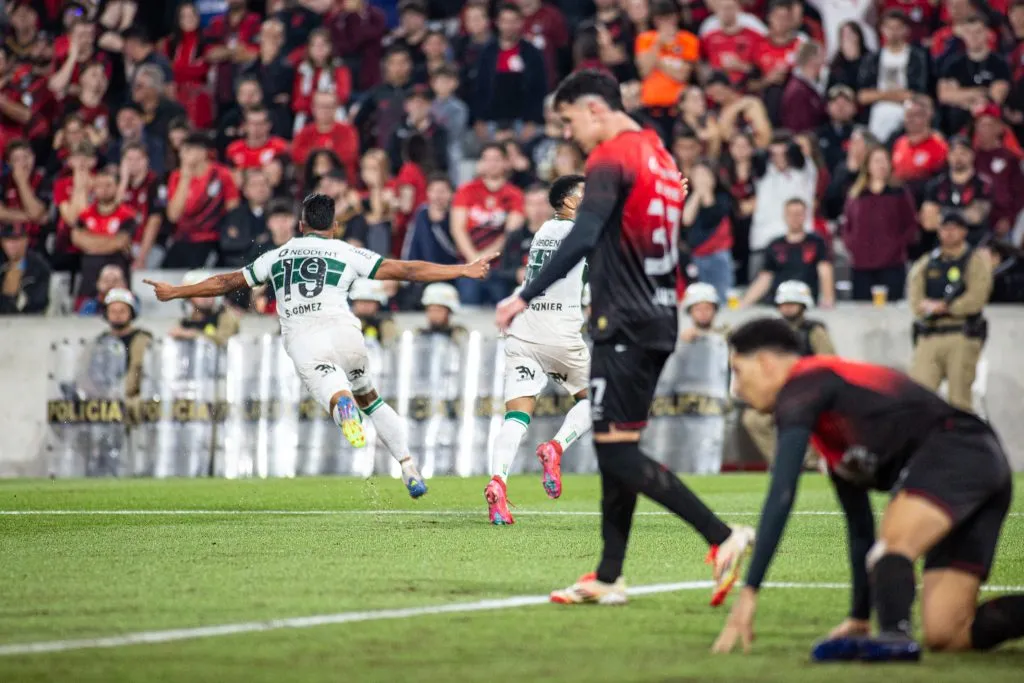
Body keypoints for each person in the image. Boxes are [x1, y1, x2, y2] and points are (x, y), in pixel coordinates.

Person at [495, 70, 754, 605]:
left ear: (593, 109)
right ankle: (608, 576)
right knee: (617, 444)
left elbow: (587, 233)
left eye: (568, 121)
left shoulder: (613, 155)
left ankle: (723, 535)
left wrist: (525, 293)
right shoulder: (657, 155)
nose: (569, 135)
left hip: (625, 321)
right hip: (657, 315)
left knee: (616, 455)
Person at [713, 317, 1024, 662]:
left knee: (891, 545)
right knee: (947, 632)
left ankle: (894, 637)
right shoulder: (828, 424)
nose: (737, 389)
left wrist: (749, 593)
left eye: (737, 372)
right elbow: (859, 526)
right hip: (976, 462)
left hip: (958, 449)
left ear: (765, 363)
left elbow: (782, 493)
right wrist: (859, 616)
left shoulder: (806, 383)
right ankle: (888, 629)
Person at [145, 193, 496, 500]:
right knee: (370, 398)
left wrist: (176, 291)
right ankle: (408, 466)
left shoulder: (277, 256)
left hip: (304, 336)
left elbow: (226, 281)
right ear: (335, 226)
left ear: (300, 224)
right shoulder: (346, 251)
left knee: (337, 393)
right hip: (345, 331)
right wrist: (462, 269)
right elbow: (407, 270)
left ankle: (341, 407)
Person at [486, 175, 592, 524]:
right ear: (569, 201)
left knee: (517, 415)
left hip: (524, 331)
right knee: (594, 398)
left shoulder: (543, 232)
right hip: (559, 332)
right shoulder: (578, 231)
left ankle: (498, 481)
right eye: (585, 192)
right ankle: (556, 446)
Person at [908, 212, 993, 413]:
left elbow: (977, 298)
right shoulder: (927, 262)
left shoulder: (974, 261)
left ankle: (960, 443)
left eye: (955, 228)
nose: (949, 233)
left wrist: (947, 307)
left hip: (961, 335)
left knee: (959, 401)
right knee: (918, 398)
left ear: (964, 231)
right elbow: (915, 299)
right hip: (930, 334)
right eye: (945, 228)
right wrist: (927, 307)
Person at [741, 198, 834, 307]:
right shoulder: (774, 244)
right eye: (791, 214)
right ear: (785, 216)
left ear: (805, 216)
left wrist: (828, 300)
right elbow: (765, 278)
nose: (794, 218)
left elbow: (825, 270)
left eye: (798, 214)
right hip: (779, 302)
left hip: (806, 301)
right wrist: (744, 303)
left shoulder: (816, 242)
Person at [167, 269, 241, 347]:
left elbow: (223, 340)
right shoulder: (183, 323)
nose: (207, 297)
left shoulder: (226, 317)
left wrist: (193, 335)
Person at [0, 223, 49, 314]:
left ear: (26, 240)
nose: (12, 245)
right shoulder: (2, 263)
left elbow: (39, 302)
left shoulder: (39, 266)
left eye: (17, 239)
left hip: (29, 321)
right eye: (8, 240)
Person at [348, 278, 398, 347]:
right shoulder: (344, 323)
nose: (366, 306)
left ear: (378, 303)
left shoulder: (385, 324)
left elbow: (391, 348)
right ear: (354, 302)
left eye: (370, 302)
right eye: (362, 301)